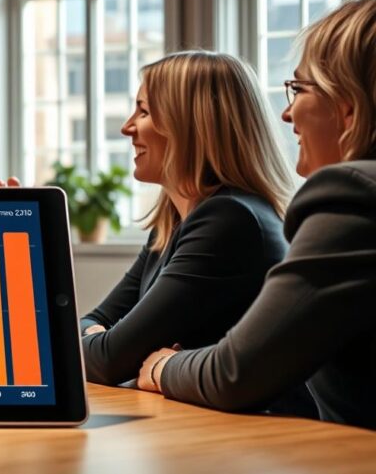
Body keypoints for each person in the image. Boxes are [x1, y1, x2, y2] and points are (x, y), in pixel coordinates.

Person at [137, 0, 376, 430]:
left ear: (348, 106)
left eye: (299, 88)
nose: (286, 114)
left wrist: (159, 367)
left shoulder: (351, 197)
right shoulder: (176, 219)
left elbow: (234, 373)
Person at [80, 51, 296, 390]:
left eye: (145, 111)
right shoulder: (173, 223)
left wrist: (101, 342)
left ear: (191, 126)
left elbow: (109, 360)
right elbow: (96, 328)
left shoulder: (229, 220)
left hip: (257, 434)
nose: (127, 127)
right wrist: (98, 337)